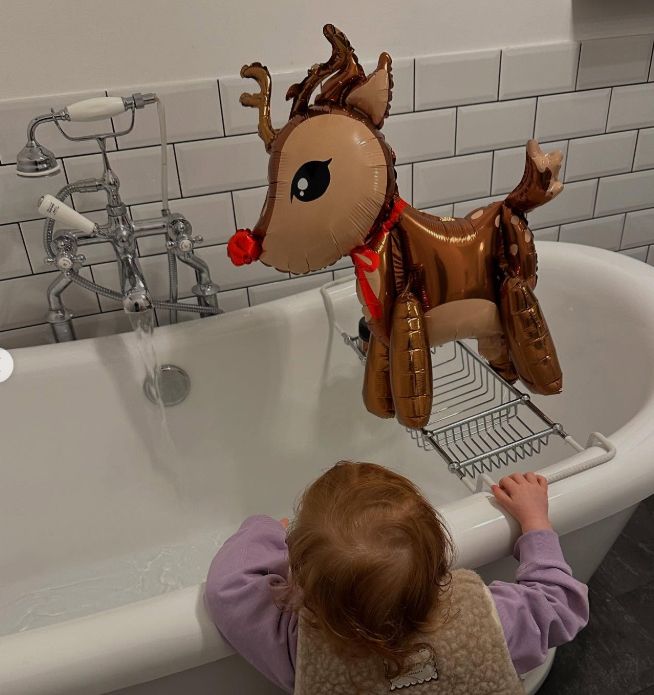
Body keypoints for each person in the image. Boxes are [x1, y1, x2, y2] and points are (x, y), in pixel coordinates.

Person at [205, 462, 589, 693]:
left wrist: (265, 529)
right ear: (440, 559)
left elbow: (229, 587)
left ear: (300, 580)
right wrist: (534, 519)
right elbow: (559, 602)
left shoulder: (297, 649)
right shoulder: (490, 622)